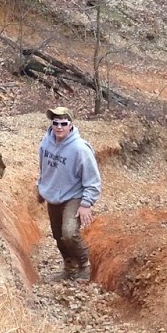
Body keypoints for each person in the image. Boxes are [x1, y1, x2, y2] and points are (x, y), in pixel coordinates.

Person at [36, 106, 101, 281]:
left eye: (63, 123)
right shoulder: (46, 142)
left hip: (74, 195)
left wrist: (86, 203)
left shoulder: (80, 149)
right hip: (54, 195)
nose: (59, 127)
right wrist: (41, 187)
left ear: (71, 125)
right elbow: (43, 167)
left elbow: (93, 180)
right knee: (58, 235)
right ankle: (69, 268)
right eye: (55, 123)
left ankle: (85, 265)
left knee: (69, 232)